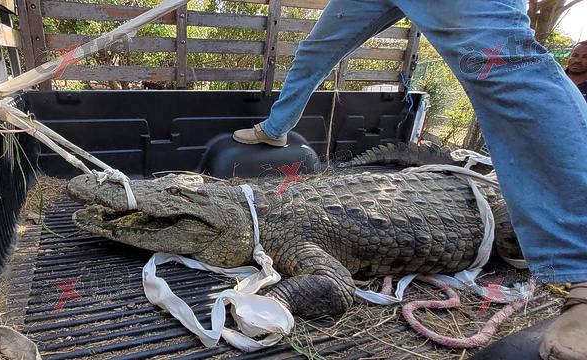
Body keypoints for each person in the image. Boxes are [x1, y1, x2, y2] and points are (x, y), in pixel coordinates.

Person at [232, 1, 587, 359]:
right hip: (413, 199)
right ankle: (277, 128)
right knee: (315, 49)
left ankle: (584, 267)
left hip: (450, 213)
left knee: (500, 60)